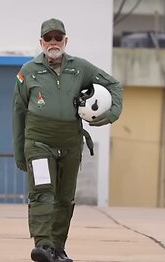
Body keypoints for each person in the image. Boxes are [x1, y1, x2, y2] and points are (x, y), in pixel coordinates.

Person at [12, 18, 123, 262]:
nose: (53, 42)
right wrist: (19, 152)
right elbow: (18, 113)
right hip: (38, 142)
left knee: (64, 197)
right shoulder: (27, 72)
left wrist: (112, 114)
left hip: (71, 144)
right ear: (41, 42)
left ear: (65, 41)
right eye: (48, 38)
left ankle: (57, 249)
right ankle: (43, 245)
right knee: (43, 193)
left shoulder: (80, 68)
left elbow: (114, 85)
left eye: (58, 38)